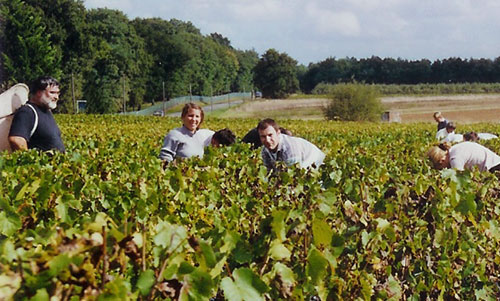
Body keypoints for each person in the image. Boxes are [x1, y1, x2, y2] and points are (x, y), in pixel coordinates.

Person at [8, 76, 65, 152]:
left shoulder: (46, 111)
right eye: (52, 93)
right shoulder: (27, 112)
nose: (56, 97)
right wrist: (30, 160)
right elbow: (16, 139)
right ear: (38, 92)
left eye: (58, 93)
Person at [257, 118, 325, 170]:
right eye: (263, 136)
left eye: (270, 135)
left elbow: (293, 175)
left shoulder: (289, 148)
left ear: (278, 133)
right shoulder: (265, 150)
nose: (267, 140)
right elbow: (269, 173)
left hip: (318, 165)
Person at [427, 141, 500, 172]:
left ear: (441, 161)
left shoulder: (455, 159)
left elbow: (459, 181)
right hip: (496, 163)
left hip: (494, 168)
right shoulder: (455, 149)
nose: (445, 169)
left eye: (441, 168)